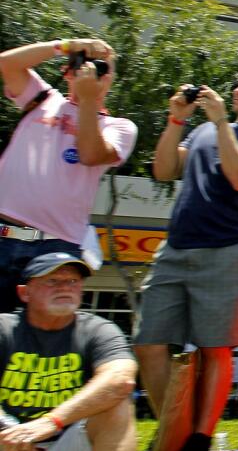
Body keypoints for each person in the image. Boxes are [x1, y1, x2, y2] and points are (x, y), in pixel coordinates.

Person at [134, 63, 238, 451]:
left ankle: (200, 439)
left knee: (214, 348)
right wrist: (175, 120)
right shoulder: (203, 131)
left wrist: (222, 122)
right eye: (236, 84)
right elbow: (164, 169)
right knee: (149, 344)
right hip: (176, 247)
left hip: (227, 251)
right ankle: (174, 429)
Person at [0, 252, 149, 451]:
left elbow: (121, 378)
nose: (65, 287)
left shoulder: (98, 329)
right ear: (24, 292)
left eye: (73, 281)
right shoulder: (4, 328)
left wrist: (48, 423)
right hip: (6, 448)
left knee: (118, 401)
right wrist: (7, 434)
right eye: (52, 280)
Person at [0, 37, 136, 314]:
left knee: (40, 339)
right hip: (3, 235)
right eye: (83, 63)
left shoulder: (118, 126)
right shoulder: (43, 99)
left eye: (101, 68)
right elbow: (6, 63)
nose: (92, 71)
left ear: (111, 80)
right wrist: (65, 45)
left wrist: (86, 100)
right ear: (69, 68)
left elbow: (91, 154)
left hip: (54, 247)